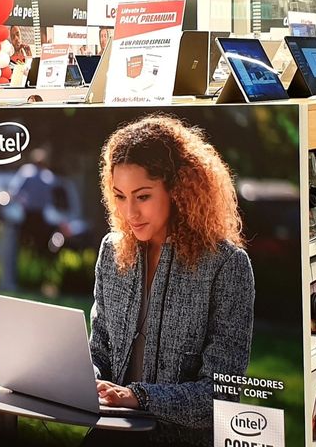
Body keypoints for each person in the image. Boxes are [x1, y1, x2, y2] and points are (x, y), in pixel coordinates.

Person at [85, 114, 254, 445]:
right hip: (111, 432)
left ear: (178, 190)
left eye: (143, 196)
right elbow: (99, 347)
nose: (129, 212)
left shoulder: (227, 266)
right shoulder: (112, 250)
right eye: (120, 196)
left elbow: (220, 394)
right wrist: (88, 379)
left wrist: (139, 397)